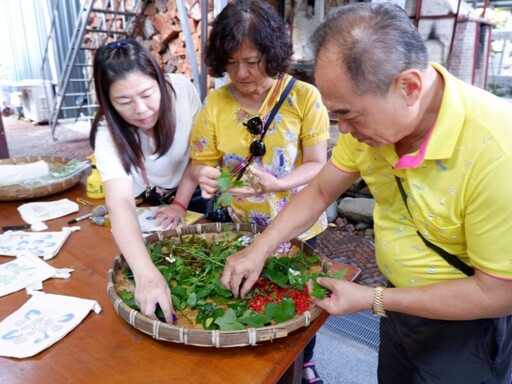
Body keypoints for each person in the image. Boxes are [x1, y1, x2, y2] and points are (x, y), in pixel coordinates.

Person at [220, 3, 512, 383]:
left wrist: (373, 299)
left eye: (349, 115)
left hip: (468, 327)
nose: (345, 131)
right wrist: (257, 249)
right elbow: (322, 189)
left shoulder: (496, 152)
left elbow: (498, 292)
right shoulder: (371, 127)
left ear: (408, 87)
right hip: (398, 307)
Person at [188, 0, 330, 382]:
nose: (241, 73)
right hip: (243, 227)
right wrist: (208, 179)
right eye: (231, 63)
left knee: (300, 302)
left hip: (299, 226)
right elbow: (208, 164)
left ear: (272, 53)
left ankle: (307, 360)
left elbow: (318, 164)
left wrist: (279, 183)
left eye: (251, 61)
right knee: (253, 297)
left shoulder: (304, 97)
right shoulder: (216, 104)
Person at [90, 38, 205, 324]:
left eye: (147, 94)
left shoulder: (181, 89)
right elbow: (120, 203)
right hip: (151, 200)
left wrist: (180, 203)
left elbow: (200, 155)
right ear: (108, 102)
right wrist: (146, 274)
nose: (141, 109)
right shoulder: (106, 132)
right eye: (124, 101)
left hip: (193, 191)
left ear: (159, 80)